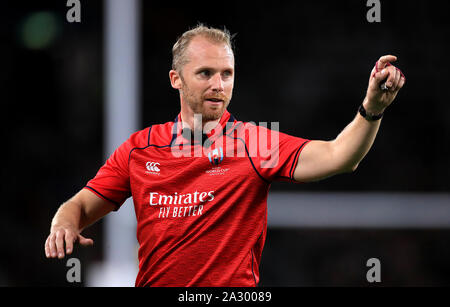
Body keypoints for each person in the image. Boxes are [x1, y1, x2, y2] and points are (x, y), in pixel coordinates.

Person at [44, 24, 405, 286]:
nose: (219, 85)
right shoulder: (140, 149)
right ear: (176, 79)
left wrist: (371, 109)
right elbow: (79, 205)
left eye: (227, 74)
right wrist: (64, 223)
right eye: (205, 73)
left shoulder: (253, 143)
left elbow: (340, 156)